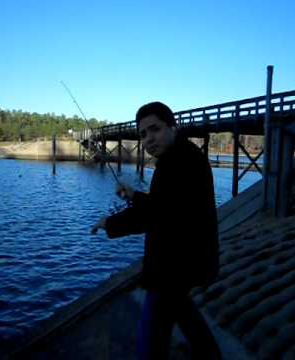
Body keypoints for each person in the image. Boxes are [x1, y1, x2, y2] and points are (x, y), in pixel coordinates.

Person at [92, 101, 221, 359]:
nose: (148, 139)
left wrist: (111, 222)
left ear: (173, 127)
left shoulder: (177, 162)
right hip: (191, 258)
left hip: (174, 264)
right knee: (182, 309)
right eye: (143, 134)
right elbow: (168, 206)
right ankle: (209, 353)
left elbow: (157, 215)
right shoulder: (182, 155)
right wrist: (137, 196)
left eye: (155, 129)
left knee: (152, 335)